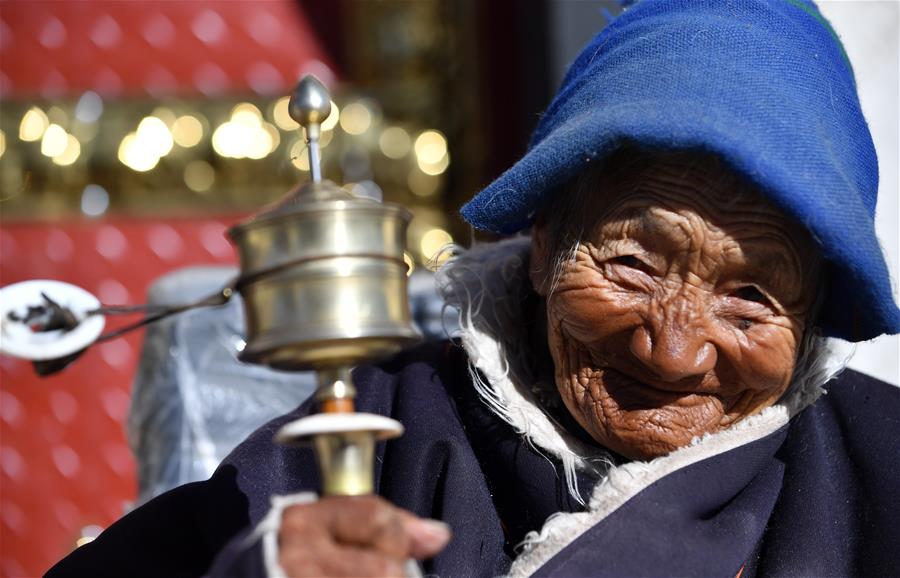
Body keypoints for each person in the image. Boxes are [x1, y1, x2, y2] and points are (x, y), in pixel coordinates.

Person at [47, 1, 900, 577]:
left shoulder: (878, 472)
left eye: (750, 299)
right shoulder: (366, 437)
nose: (673, 351)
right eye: (632, 266)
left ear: (814, 311)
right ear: (540, 245)